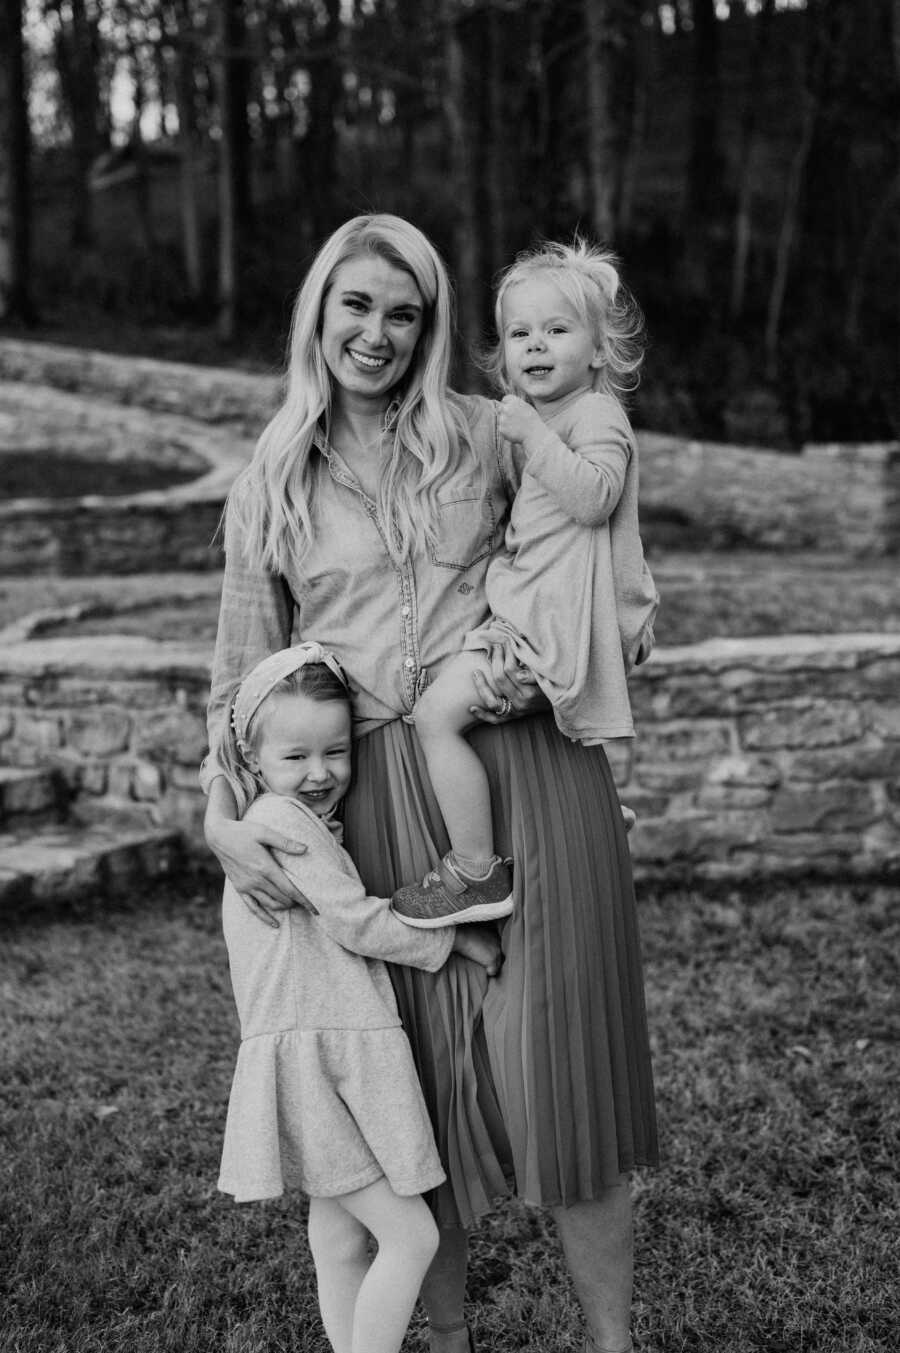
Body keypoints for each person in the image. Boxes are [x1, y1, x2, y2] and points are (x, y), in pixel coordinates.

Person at [203, 213, 658, 1353]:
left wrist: (612, 633)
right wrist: (222, 826)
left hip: (528, 776)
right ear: (319, 310)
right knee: (420, 1109)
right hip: (371, 813)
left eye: (404, 312)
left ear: (432, 324)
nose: (379, 332)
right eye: (357, 304)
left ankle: (615, 1345)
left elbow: (595, 539)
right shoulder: (272, 478)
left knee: (564, 1079)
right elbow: (237, 684)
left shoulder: (488, 430)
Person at [215, 640, 502, 1353]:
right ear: (253, 759)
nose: (320, 773)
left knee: (339, 1235)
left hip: (320, 1048)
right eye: (295, 756)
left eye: (335, 751)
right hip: (319, 1060)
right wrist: (452, 941)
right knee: (410, 1234)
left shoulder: (284, 819)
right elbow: (353, 918)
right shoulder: (281, 826)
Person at [390, 239, 657, 930]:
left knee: (434, 717)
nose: (535, 346)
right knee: (478, 722)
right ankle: (589, 815)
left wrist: (534, 436)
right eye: (519, 333)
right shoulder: (538, 423)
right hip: (526, 622)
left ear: (599, 351)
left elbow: (597, 497)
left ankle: (475, 869)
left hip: (549, 631)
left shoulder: (595, 415)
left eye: (557, 330)